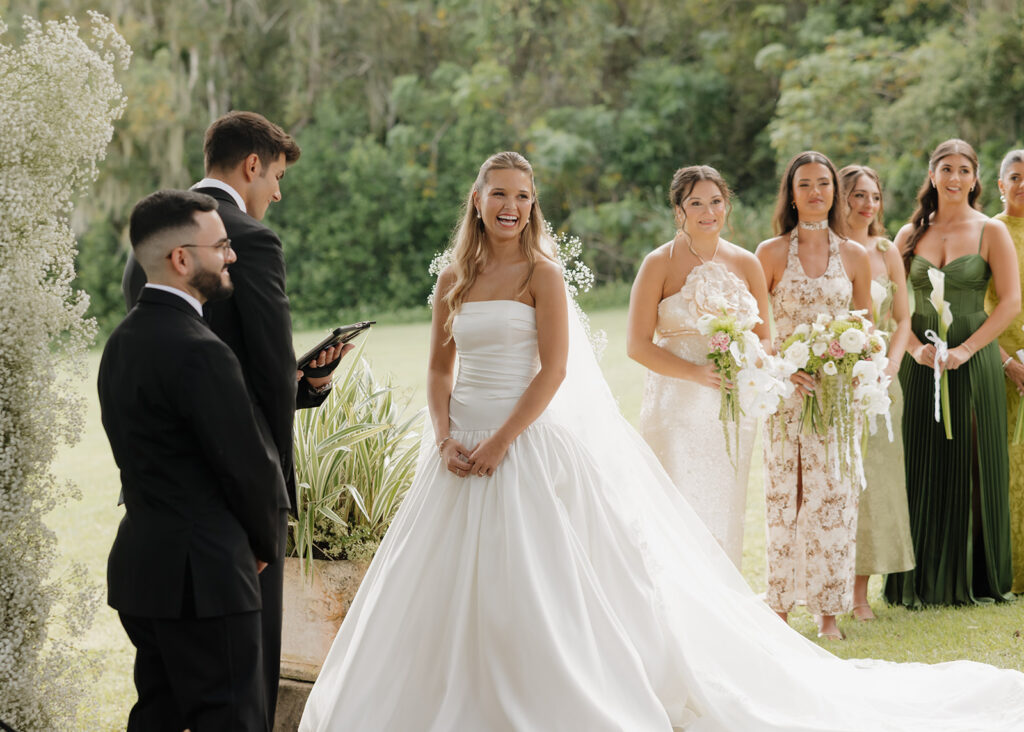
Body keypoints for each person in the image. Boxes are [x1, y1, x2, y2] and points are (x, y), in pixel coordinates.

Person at [301, 151, 1024, 731]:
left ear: (533, 203)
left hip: (521, 441)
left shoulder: (543, 275)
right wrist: (446, 434)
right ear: (477, 200)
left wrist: (499, 444)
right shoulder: (455, 277)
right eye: (498, 193)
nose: (511, 205)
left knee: (543, 579)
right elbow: (437, 365)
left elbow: (553, 371)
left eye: (522, 194)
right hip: (456, 446)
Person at [122, 111, 348, 725]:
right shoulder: (251, 239)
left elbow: (174, 376)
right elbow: (264, 375)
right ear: (253, 165)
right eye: (276, 175)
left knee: (162, 701)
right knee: (244, 692)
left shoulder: (155, 239)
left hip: (158, 521)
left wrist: (297, 384)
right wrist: (269, 520)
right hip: (230, 524)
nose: (276, 191)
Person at [101, 190, 287, 731]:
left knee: (156, 718)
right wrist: (260, 545)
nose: (231, 256)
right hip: (205, 580)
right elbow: (247, 467)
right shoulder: (200, 349)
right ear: (181, 259)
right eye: (221, 246)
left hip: (145, 572)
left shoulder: (120, 343)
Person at [885, 139, 1019, 607]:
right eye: (947, 168)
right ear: (933, 174)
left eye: (964, 169)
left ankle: (974, 577)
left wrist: (964, 350)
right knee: (917, 460)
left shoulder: (990, 232)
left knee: (969, 458)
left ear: (976, 178)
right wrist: (917, 351)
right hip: (919, 363)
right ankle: (914, 576)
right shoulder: (907, 235)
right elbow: (892, 306)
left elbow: (1010, 303)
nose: (955, 177)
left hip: (972, 359)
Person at [628, 165, 771, 568]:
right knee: (679, 506)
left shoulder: (747, 263)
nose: (708, 211)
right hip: (676, 406)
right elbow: (636, 345)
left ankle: (722, 604)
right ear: (679, 210)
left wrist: (750, 362)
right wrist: (695, 373)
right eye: (696, 203)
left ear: (726, 205)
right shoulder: (658, 263)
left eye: (716, 201)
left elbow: (765, 336)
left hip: (732, 409)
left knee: (726, 505)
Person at [755, 151, 873, 640]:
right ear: (791, 192)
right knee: (788, 496)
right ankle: (779, 607)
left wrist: (850, 364)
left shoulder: (855, 256)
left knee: (834, 500)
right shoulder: (769, 253)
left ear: (835, 192)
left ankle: (828, 613)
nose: (816, 192)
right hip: (786, 395)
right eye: (805, 184)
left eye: (823, 183)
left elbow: (867, 330)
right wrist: (785, 368)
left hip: (837, 400)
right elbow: (757, 333)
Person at [837, 164, 915, 620]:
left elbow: (903, 320)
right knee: (838, 482)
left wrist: (891, 365)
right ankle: (828, 581)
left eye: (874, 196)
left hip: (883, 384)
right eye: (857, 195)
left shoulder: (887, 252)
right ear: (840, 199)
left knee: (877, 485)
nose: (868, 205)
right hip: (834, 380)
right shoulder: (828, 251)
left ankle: (860, 593)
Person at [984, 148, 1024, 594]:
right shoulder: (989, 232)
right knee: (1003, 470)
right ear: (999, 184)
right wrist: (1008, 363)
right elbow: (977, 306)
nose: (1022, 185)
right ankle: (1004, 572)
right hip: (996, 363)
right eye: (1014, 177)